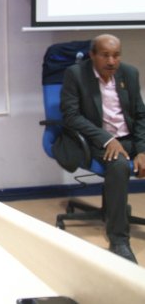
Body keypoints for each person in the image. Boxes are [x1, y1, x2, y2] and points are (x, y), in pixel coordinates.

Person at [60, 33, 145, 263]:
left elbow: (140, 115)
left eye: (116, 55)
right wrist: (107, 139)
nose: (111, 61)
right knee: (119, 165)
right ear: (92, 55)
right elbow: (71, 115)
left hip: (128, 137)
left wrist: (141, 151)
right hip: (97, 139)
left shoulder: (129, 73)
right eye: (105, 55)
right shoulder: (76, 74)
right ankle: (119, 239)